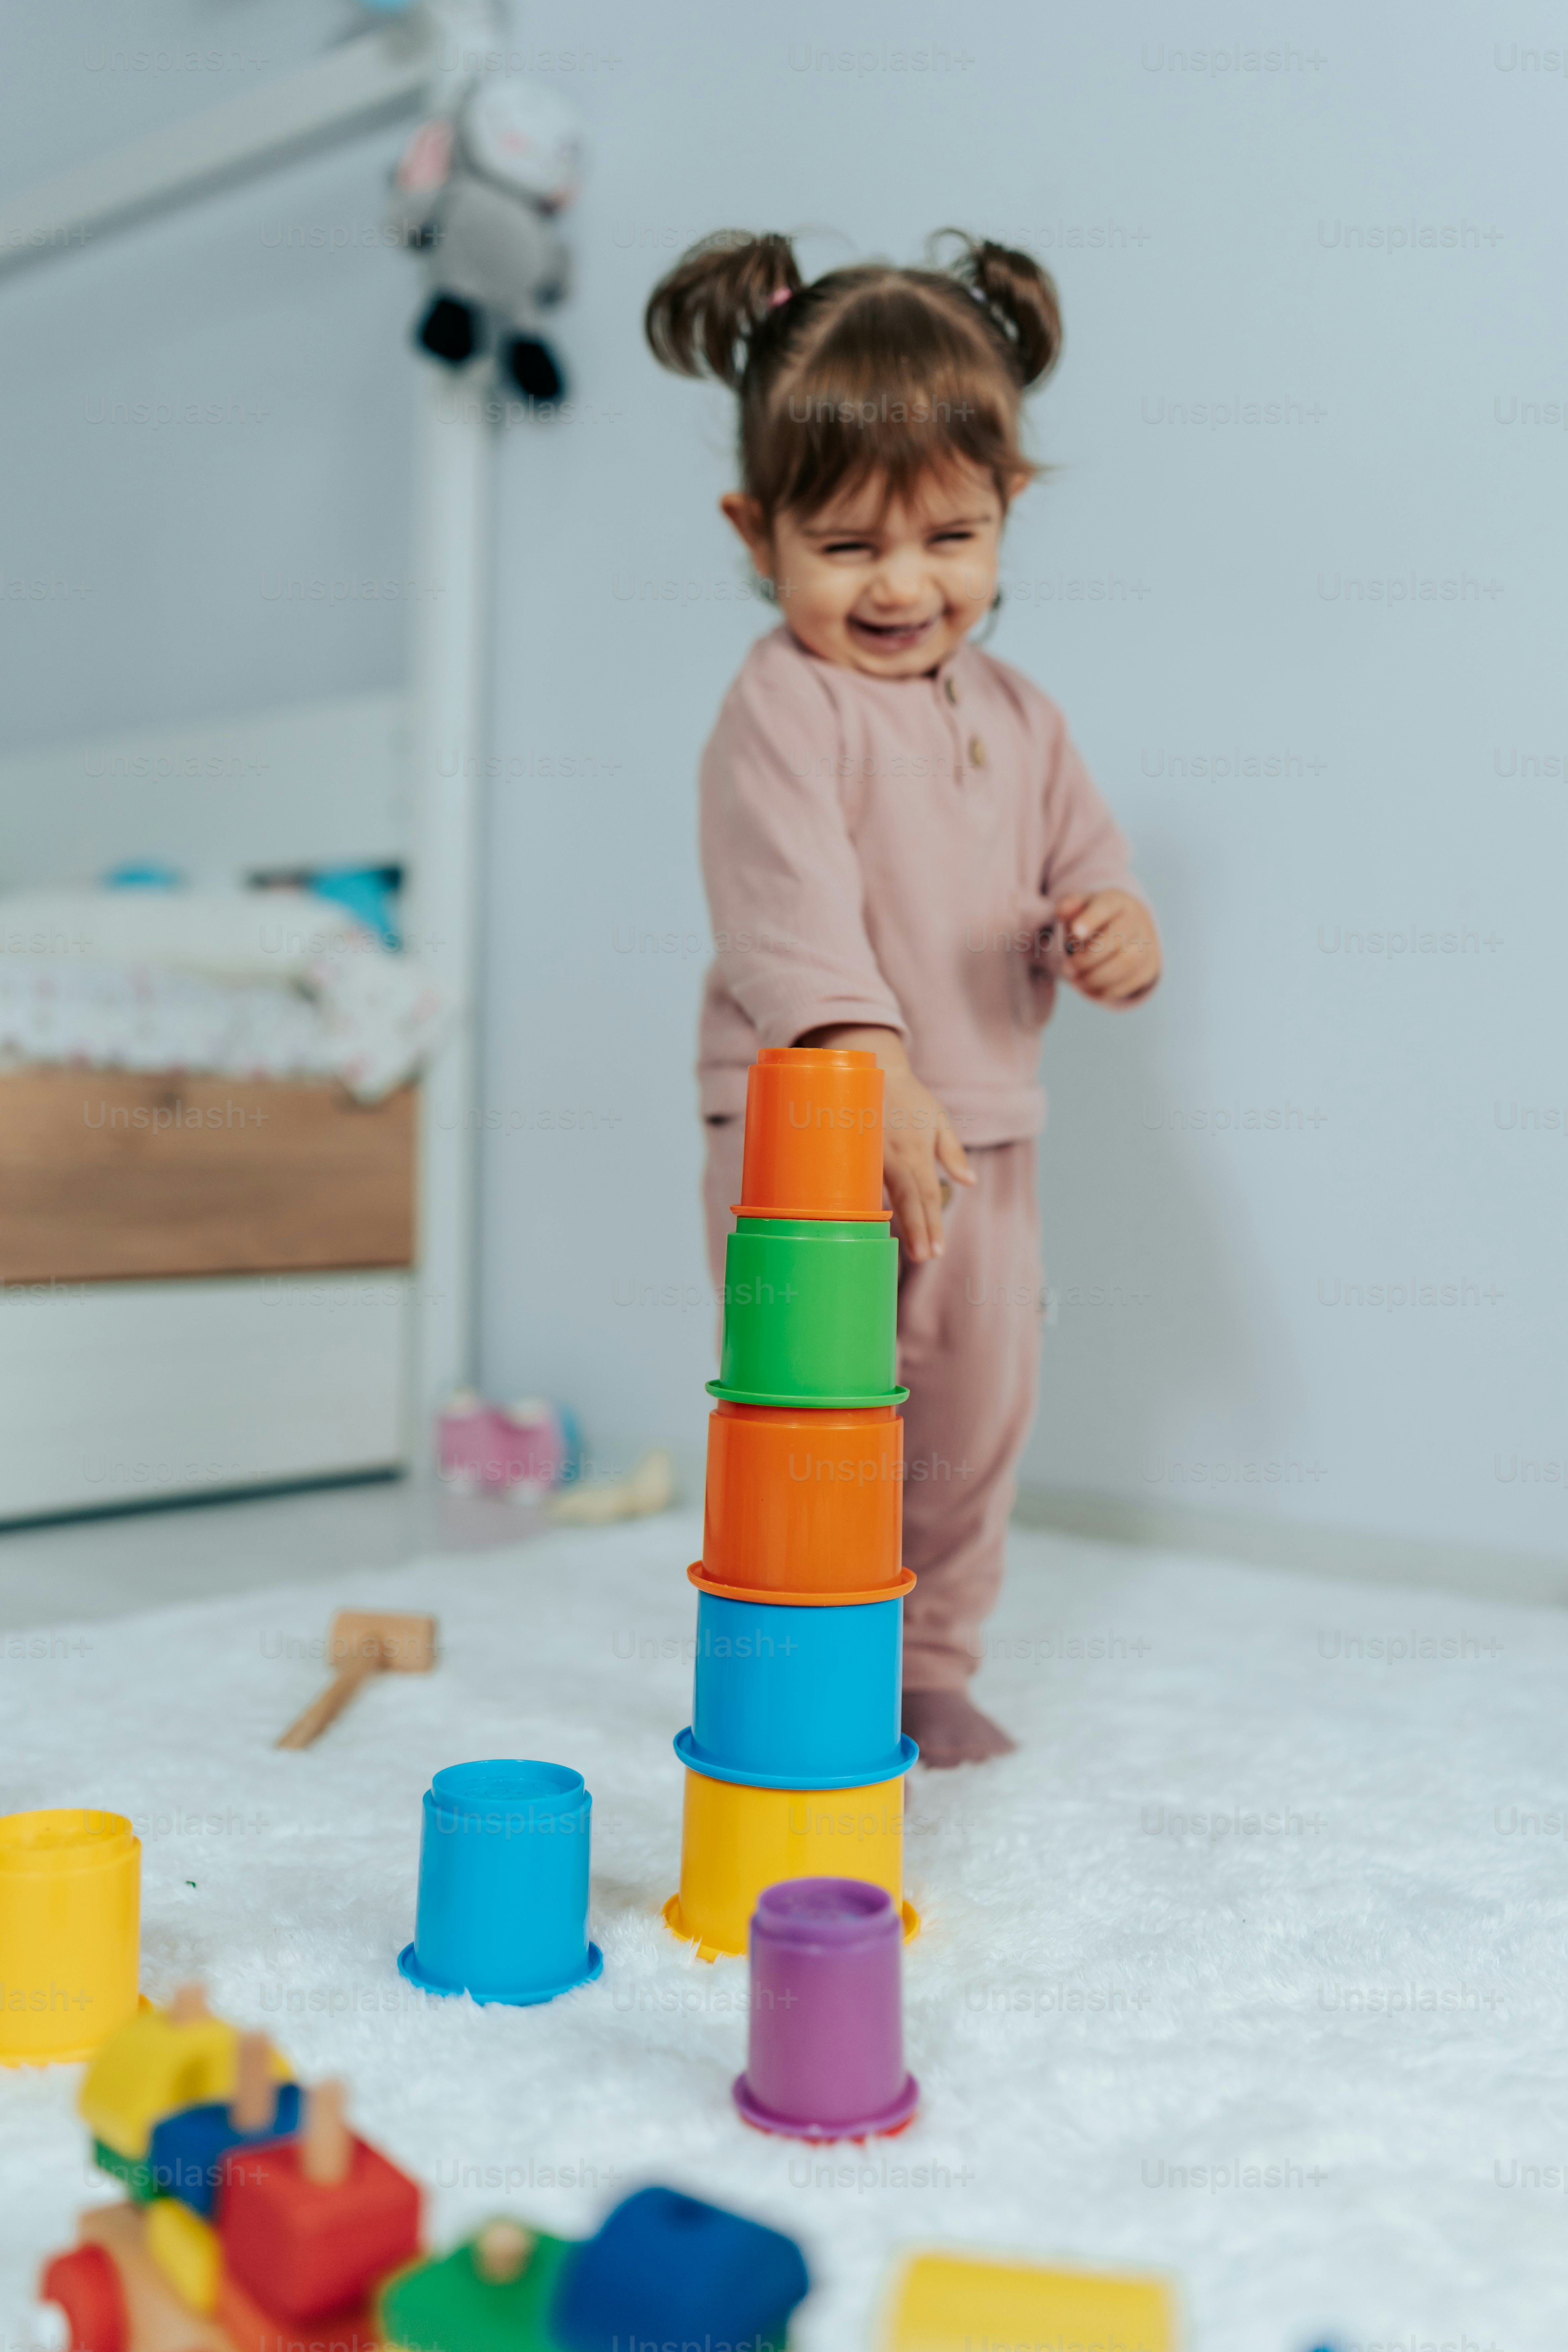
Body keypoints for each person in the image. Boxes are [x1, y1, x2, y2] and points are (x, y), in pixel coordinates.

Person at [646, 231, 1161, 1766]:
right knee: (823, 1425)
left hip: (984, 1137)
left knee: (978, 1418)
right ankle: (804, 1675)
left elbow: (1088, 866)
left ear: (1005, 514)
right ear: (758, 530)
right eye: (850, 547)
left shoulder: (1023, 714)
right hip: (808, 1141)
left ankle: (931, 1663)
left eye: (947, 537)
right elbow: (783, 911)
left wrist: (1113, 927)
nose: (904, 585)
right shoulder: (779, 707)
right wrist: (870, 1068)